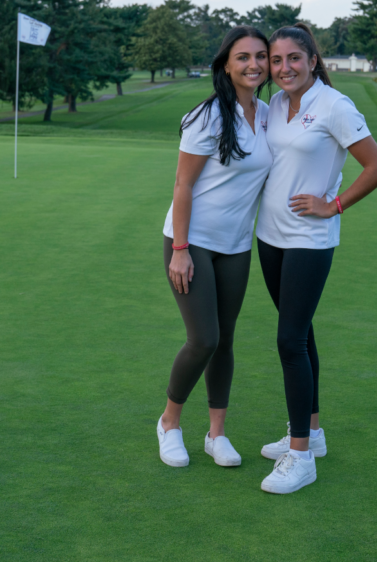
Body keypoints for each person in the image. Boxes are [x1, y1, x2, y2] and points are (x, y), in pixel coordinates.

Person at [255, 22, 377, 494]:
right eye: (276, 61)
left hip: (309, 240)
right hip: (269, 238)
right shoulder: (274, 103)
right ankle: (312, 433)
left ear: (313, 60)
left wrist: (333, 204)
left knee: (289, 340)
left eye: (294, 58)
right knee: (302, 332)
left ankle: (300, 458)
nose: (284, 68)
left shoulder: (335, 106)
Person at [157, 26, 272, 468]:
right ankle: (169, 423)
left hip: (236, 245)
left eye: (261, 56)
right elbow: (183, 184)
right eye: (243, 57)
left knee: (225, 341)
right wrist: (181, 249)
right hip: (192, 241)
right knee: (203, 338)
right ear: (226, 63)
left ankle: (216, 435)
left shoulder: (266, 113)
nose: (254, 65)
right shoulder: (206, 117)